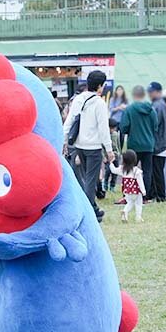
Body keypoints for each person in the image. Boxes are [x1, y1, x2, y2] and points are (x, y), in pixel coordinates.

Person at [62, 70, 113, 220]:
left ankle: (93, 208)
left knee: (85, 178)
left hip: (79, 146)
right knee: (91, 180)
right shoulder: (99, 102)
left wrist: (64, 142)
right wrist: (109, 150)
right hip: (94, 147)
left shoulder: (78, 99)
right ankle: (89, 210)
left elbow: (69, 121)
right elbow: (103, 128)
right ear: (99, 86)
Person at [119, 86, 157, 199]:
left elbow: (124, 127)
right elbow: (155, 126)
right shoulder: (151, 109)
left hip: (134, 145)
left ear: (133, 95)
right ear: (144, 95)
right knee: (147, 171)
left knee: (130, 170)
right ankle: (145, 195)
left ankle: (129, 194)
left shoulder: (129, 109)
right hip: (149, 144)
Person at [147, 82, 166, 202]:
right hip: (161, 143)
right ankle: (155, 194)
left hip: (158, 144)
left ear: (158, 92)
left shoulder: (158, 105)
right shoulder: (159, 104)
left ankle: (160, 196)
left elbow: (155, 124)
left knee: (157, 171)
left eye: (151, 91)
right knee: (155, 171)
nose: (149, 93)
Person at [110, 150, 146, 223]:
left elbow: (113, 170)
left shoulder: (122, 169)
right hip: (136, 191)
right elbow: (140, 182)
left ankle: (125, 211)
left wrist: (111, 163)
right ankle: (138, 217)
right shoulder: (136, 171)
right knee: (138, 203)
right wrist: (143, 191)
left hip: (127, 191)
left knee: (129, 202)